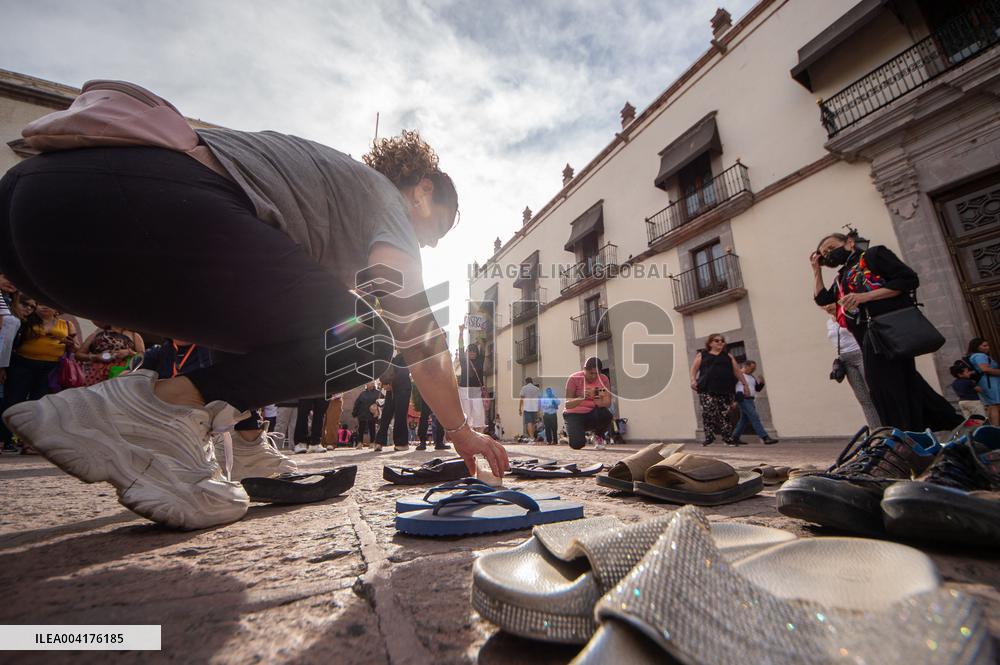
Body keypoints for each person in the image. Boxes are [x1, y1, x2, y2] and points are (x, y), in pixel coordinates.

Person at [0, 83, 508, 530]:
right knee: (367, 343)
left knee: (310, 323)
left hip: (33, 226)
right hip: (119, 199)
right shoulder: (384, 198)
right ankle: (151, 410)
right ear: (422, 191)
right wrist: (460, 431)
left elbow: (254, 325)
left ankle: (246, 451)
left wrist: (246, 436)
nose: (432, 243)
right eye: (438, 227)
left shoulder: (325, 203)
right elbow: (415, 329)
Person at [812, 233, 961, 432]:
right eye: (825, 254)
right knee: (906, 381)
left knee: (882, 386)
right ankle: (949, 424)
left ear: (849, 242)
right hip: (868, 336)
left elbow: (908, 280)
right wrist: (816, 270)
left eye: (831, 248)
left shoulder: (873, 255)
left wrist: (865, 297)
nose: (829, 254)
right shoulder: (842, 276)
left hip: (888, 331)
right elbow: (822, 299)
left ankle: (899, 434)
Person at [0, 305, 79, 449]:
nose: (44, 306)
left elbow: (76, 348)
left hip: (51, 368)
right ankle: (3, 439)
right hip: (22, 365)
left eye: (47, 303)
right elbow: (11, 340)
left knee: (39, 405)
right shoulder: (27, 320)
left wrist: (70, 343)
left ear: (56, 309)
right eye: (40, 303)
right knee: (13, 401)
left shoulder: (67, 324)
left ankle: (29, 443)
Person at [821, 302, 881, 428]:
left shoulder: (849, 315)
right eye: (823, 306)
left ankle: (889, 427)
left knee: (876, 394)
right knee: (863, 399)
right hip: (846, 360)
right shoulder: (829, 322)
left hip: (861, 355)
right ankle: (876, 430)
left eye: (828, 303)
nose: (826, 307)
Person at [690, 334, 748, 446]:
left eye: (722, 341)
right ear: (710, 343)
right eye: (717, 340)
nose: (720, 342)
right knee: (708, 412)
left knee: (725, 414)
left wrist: (745, 384)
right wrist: (693, 380)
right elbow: (694, 369)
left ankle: (727, 438)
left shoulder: (728, 356)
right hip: (707, 388)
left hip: (726, 389)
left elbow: (737, 371)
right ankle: (709, 438)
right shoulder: (702, 354)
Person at [563, 357, 613, 450]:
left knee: (606, 414)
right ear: (584, 370)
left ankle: (598, 436)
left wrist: (596, 397)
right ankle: (577, 432)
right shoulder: (574, 378)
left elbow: (608, 403)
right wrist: (581, 397)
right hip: (574, 414)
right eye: (591, 373)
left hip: (592, 413)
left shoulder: (604, 379)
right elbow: (567, 404)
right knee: (577, 445)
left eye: (596, 374)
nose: (593, 376)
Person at [76, 323, 145, 386]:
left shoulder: (134, 335)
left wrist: (129, 352)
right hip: (95, 373)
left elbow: (142, 357)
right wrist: (96, 357)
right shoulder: (97, 333)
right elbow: (78, 355)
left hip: (119, 372)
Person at [730, 360, 779, 445]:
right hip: (743, 399)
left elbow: (757, 389)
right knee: (754, 416)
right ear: (746, 366)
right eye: (752, 368)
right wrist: (734, 401)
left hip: (751, 400)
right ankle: (765, 437)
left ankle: (734, 437)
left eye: (754, 368)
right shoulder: (738, 375)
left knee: (744, 420)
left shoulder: (751, 377)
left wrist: (761, 383)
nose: (753, 370)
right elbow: (731, 388)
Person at [375, 352, 413, 451]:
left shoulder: (392, 355)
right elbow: (403, 372)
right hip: (400, 387)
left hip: (394, 387)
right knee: (398, 415)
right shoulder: (405, 355)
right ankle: (401, 443)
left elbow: (385, 370)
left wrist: (386, 384)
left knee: (387, 414)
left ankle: (380, 442)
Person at [457, 323, 486, 432]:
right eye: (470, 351)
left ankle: (479, 432)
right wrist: (461, 332)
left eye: (474, 351)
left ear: (477, 353)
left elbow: (483, 348)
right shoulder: (463, 361)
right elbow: (460, 347)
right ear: (467, 352)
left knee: (478, 412)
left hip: (476, 390)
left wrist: (481, 333)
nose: (472, 353)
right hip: (464, 389)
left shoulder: (480, 360)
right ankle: (468, 432)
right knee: (466, 412)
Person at [967, 338, 1000, 426]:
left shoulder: (974, 356)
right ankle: (995, 428)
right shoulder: (980, 356)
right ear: (976, 347)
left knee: (992, 406)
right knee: (994, 406)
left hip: (987, 383)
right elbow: (985, 369)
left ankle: (994, 428)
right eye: (984, 346)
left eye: (988, 345)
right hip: (990, 384)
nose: (987, 347)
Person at [352, 382, 380, 446]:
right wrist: (355, 412)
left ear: (373, 384)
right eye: (367, 383)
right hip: (362, 413)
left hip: (372, 414)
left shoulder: (378, 393)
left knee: (372, 428)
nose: (368, 384)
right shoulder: (363, 393)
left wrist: (377, 408)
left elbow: (382, 402)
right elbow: (357, 403)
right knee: (361, 428)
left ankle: (372, 442)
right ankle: (360, 443)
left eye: (370, 383)